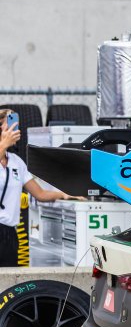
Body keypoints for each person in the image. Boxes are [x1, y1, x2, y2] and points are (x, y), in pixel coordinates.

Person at [0, 110, 84, 266]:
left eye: (16, 126)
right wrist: (3, 145)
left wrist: (64, 194)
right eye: (9, 125)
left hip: (9, 233)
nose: (15, 130)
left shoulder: (16, 161)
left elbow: (40, 193)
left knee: (7, 277)